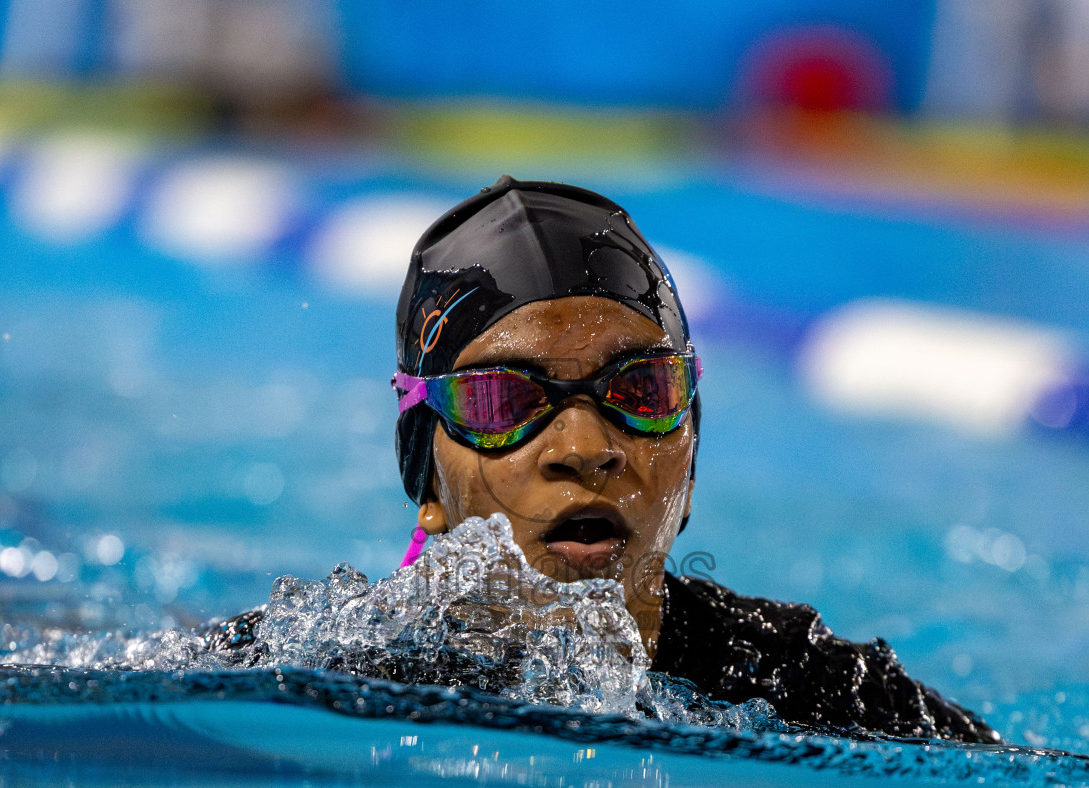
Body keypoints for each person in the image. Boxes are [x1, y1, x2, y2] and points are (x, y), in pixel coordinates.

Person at [220, 176, 997, 743]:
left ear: (689, 459)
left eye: (641, 388)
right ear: (427, 480)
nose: (586, 450)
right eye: (504, 402)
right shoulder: (334, 672)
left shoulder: (804, 683)